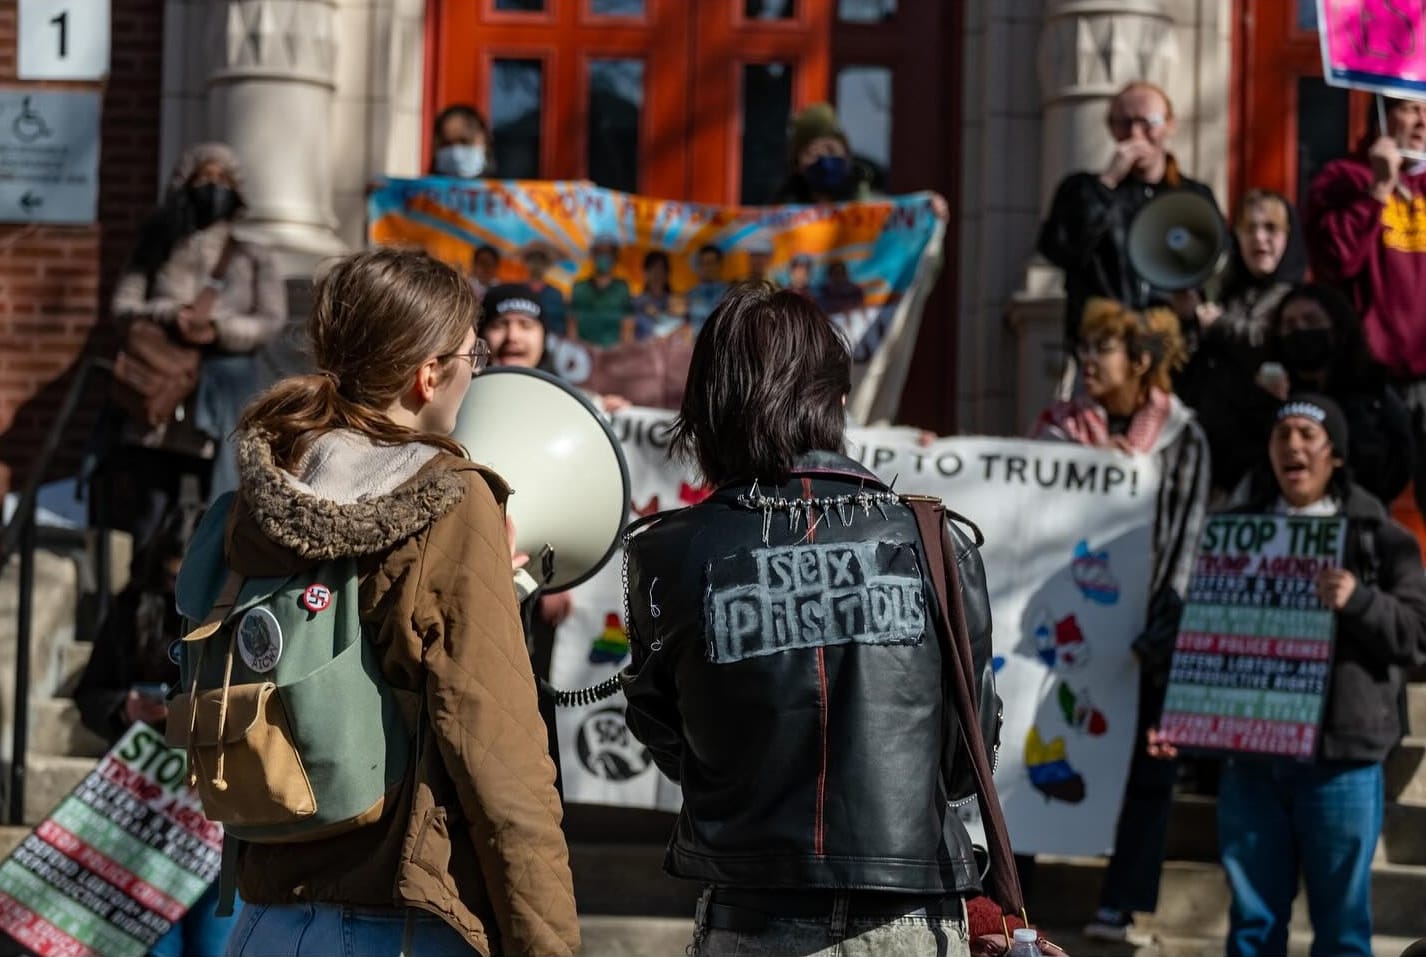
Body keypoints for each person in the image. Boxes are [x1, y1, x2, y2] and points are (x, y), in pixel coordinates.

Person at [217, 248, 579, 957]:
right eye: (474, 352)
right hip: (401, 924)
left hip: (265, 919)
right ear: (429, 374)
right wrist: (549, 943)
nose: (480, 369)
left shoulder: (271, 483)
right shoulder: (448, 496)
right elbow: (498, 751)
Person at [621, 283, 991, 957]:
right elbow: (969, 760)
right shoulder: (936, 542)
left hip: (751, 917)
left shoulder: (667, 552)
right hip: (910, 918)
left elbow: (673, 739)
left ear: (709, 406)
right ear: (836, 402)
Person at [1149, 393, 1426, 957]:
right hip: (1252, 763)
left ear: (1336, 455)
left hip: (1342, 763)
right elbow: (1204, 635)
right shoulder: (1232, 534)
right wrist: (1184, 718)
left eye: (1307, 433)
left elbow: (1418, 634)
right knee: (1252, 925)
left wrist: (1359, 601)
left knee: (1343, 928)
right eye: (1283, 435)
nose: (1293, 445)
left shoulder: (1378, 536)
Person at [1031, 297, 1210, 945]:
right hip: (1061, 630)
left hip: (1148, 634)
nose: (1086, 361)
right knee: (1030, 744)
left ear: (1140, 362)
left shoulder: (1183, 437)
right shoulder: (1055, 428)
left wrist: (1164, 624)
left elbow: (1187, 536)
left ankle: (1122, 901)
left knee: (1146, 768)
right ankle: (1014, 889)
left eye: (1100, 350)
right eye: (1084, 348)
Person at [96, 142, 286, 556]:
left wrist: (217, 328)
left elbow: (270, 319)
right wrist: (172, 314)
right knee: (150, 514)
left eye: (223, 180)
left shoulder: (254, 253)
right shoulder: (156, 244)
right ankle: (145, 606)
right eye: (204, 179)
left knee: (219, 508)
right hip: (159, 397)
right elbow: (123, 307)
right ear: (185, 184)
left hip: (223, 396)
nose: (213, 188)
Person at [73, 497, 237, 957]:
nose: (182, 595)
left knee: (213, 942)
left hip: (215, 812)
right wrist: (126, 708)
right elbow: (90, 694)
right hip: (145, 808)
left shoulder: (241, 613)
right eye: (171, 579)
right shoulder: (134, 609)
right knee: (150, 944)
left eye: (193, 581)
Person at [1306, 95, 1426, 518]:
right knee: (1366, 509)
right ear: (1381, 113)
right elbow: (1336, 261)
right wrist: (1377, 190)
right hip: (1371, 383)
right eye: (1411, 107)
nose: (1422, 119)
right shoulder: (1343, 178)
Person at [1037, 81, 1222, 351]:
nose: (1136, 134)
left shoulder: (1193, 196)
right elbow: (1059, 249)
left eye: (1148, 123)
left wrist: (1195, 303)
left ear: (1170, 125)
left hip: (1172, 346)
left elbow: (1215, 260)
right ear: (1111, 129)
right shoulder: (1084, 190)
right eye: (1124, 123)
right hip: (1107, 348)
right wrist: (1106, 185)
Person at [1177, 189, 1307, 502]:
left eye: (1271, 229)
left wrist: (1216, 325)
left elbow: (1266, 341)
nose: (1259, 239)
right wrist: (1187, 321)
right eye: (1250, 229)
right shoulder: (1224, 293)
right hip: (1208, 450)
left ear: (1289, 236)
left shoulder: (1298, 299)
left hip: (1263, 457)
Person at [1250, 283, 1414, 509]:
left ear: (1336, 327)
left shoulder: (1374, 391)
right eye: (1289, 325)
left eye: (1311, 321)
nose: (1300, 330)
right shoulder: (1266, 392)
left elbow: (1399, 460)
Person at [773, 102, 873, 204]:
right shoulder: (781, 213)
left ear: (847, 157)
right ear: (797, 166)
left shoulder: (872, 208)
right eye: (813, 153)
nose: (824, 161)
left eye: (831, 150)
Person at [569, 234, 634, 346]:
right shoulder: (579, 288)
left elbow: (627, 325)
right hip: (585, 355)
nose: (604, 256)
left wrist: (624, 356)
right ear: (593, 255)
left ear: (615, 257)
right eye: (600, 252)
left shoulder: (622, 288)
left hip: (612, 356)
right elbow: (572, 325)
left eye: (609, 253)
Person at [632, 249, 685, 338]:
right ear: (645, 273)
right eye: (652, 269)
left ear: (667, 274)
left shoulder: (677, 302)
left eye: (661, 269)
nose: (657, 274)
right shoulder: (635, 302)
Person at [431, 103, 492, 179]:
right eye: (447, 144)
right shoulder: (423, 189)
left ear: (483, 139)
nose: (455, 154)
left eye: (464, 141)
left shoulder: (506, 188)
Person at [522, 242, 568, 335]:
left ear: (547, 265)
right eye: (533, 260)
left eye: (541, 260)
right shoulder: (518, 291)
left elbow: (560, 324)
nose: (537, 264)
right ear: (527, 263)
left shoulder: (555, 294)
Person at [685, 244, 728, 333]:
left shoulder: (731, 295)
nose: (706, 268)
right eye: (702, 263)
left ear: (720, 264)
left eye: (710, 263)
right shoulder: (689, 296)